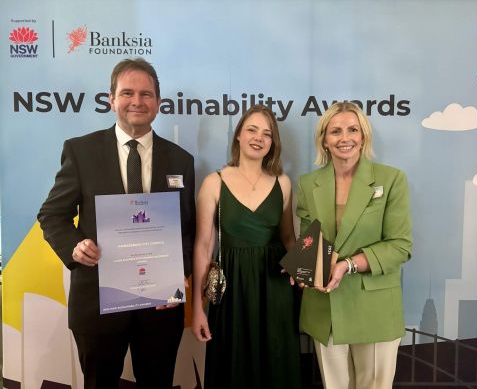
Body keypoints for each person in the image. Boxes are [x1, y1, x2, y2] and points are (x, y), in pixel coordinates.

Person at [37, 58, 195, 388]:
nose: (137, 101)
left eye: (146, 94)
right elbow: (52, 215)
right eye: (127, 93)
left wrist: (180, 275)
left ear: (158, 103)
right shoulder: (81, 151)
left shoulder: (181, 160)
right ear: (111, 100)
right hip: (97, 301)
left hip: (159, 306)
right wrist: (75, 246)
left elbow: (186, 226)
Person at [296, 102, 412, 389]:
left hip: (374, 306)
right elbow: (309, 240)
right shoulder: (308, 184)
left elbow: (400, 246)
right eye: (335, 131)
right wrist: (305, 267)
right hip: (326, 305)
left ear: (364, 136)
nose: (344, 138)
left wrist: (347, 265)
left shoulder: (391, 179)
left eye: (352, 129)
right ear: (324, 139)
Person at [191, 104, 301, 388]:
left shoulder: (284, 183)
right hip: (233, 290)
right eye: (252, 129)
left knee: (276, 365)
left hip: (275, 288)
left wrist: (306, 274)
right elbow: (203, 246)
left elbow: (289, 239)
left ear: (273, 142)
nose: (258, 137)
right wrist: (198, 309)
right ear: (238, 134)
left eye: (267, 133)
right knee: (233, 367)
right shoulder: (214, 182)